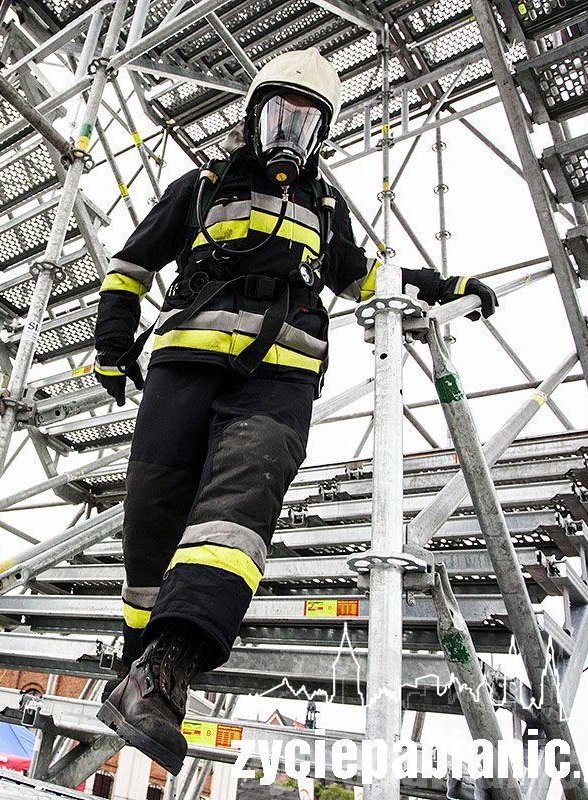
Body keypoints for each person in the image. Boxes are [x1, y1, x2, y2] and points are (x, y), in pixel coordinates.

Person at [93, 48, 497, 773]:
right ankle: (135, 662)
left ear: (322, 133)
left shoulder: (326, 207)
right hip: (184, 365)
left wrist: (437, 284)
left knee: (237, 513)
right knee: (152, 523)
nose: (290, 134)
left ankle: (167, 673)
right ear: (253, 117)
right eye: (280, 115)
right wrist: (113, 343)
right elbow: (130, 265)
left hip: (278, 381)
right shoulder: (201, 188)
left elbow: (363, 274)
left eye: (306, 123)